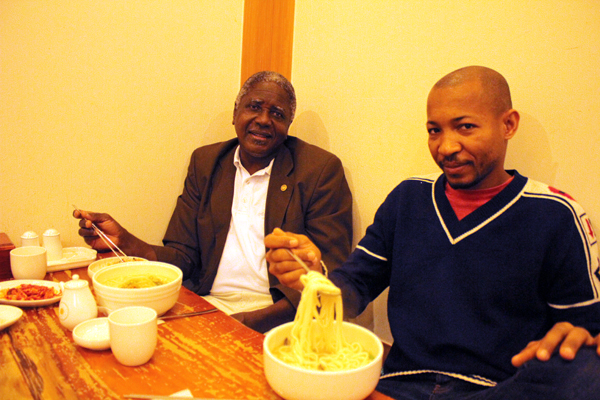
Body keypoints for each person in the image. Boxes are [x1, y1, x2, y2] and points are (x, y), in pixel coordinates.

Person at [265, 66, 600, 399]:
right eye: (434, 131)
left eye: (465, 127)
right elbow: (356, 283)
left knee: (586, 373)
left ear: (507, 124)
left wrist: (577, 341)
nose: (446, 147)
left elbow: (584, 328)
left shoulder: (555, 214)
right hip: (401, 383)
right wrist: (314, 278)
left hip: (497, 390)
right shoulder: (408, 198)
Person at [74, 71, 353, 333]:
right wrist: (125, 241)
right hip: (205, 307)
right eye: (254, 107)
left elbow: (330, 272)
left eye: (277, 114)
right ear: (235, 113)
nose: (264, 120)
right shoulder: (206, 163)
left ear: (287, 126)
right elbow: (183, 257)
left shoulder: (319, 170)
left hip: (281, 319)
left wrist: (240, 323)